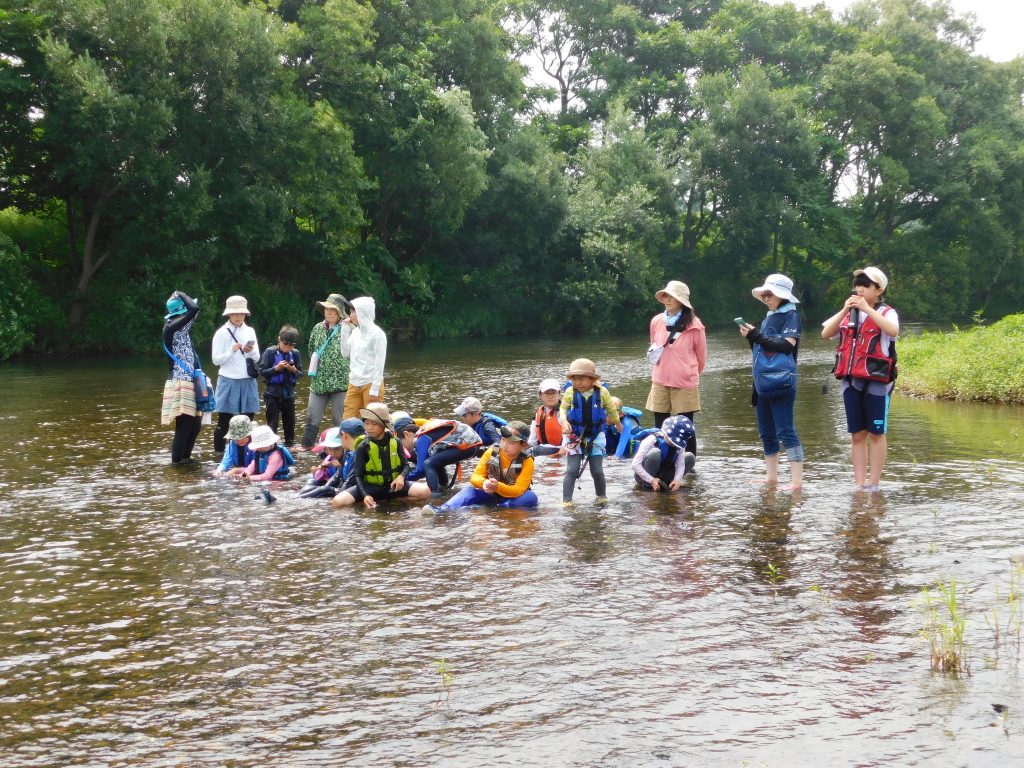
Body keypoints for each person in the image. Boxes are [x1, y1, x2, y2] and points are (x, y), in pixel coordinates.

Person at [821, 266, 900, 491]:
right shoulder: (849, 313)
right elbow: (826, 333)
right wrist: (845, 310)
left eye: (866, 285)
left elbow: (892, 331)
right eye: (858, 285)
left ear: (879, 289)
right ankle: (859, 484)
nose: (860, 290)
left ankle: (874, 484)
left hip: (877, 381)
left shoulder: (887, 312)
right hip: (851, 381)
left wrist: (867, 309)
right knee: (857, 434)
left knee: (876, 432)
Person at [739, 274, 804, 490]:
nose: (766, 297)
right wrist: (752, 337)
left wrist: (757, 336)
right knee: (766, 431)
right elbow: (764, 352)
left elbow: (787, 346)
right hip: (762, 382)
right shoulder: (769, 317)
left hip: (783, 381)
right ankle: (772, 477)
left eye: (770, 293)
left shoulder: (791, 316)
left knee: (786, 430)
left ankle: (796, 482)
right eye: (764, 294)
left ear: (782, 295)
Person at [331, 403, 432, 508]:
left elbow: (405, 466)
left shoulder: (396, 442)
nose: (369, 428)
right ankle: (371, 501)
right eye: (366, 423)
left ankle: (392, 499)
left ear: (383, 425)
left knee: (426, 491)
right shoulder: (363, 446)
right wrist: (365, 495)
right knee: (337, 502)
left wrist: (401, 477)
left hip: (392, 486)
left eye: (374, 424)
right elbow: (358, 475)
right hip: (370, 488)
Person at [646, 280, 706, 455]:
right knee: (660, 424)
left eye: (673, 296)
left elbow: (701, 358)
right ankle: (662, 459)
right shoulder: (656, 321)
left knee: (685, 426)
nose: (668, 299)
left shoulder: (695, 325)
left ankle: (689, 462)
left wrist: (688, 373)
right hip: (660, 379)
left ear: (682, 301)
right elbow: (655, 346)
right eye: (666, 295)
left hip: (685, 382)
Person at [424, 421, 538, 512]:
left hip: (513, 498)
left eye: (511, 443)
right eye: (503, 440)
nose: (505, 445)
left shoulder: (527, 461)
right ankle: (444, 509)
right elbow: (475, 477)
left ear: (523, 445)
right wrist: (484, 483)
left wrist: (497, 486)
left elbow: (517, 490)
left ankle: (497, 508)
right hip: (491, 493)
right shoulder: (491, 452)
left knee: (531, 497)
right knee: (468, 491)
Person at [558, 358, 622, 504]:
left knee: (597, 470)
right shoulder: (570, 392)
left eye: (582, 379)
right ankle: (567, 501)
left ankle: (601, 497)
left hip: (595, 435)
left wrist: (618, 424)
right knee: (572, 470)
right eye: (574, 379)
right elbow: (563, 408)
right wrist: (564, 421)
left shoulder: (602, 392)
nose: (577, 382)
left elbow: (611, 409)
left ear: (592, 379)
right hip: (574, 435)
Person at [301, 293, 352, 450]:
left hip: (341, 383)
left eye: (332, 309)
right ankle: (306, 449)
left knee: (339, 420)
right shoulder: (317, 328)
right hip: (319, 383)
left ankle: (341, 450)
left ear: (340, 311)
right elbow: (311, 350)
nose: (328, 312)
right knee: (312, 418)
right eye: (326, 309)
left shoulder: (350, 328)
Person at [211, 295, 260, 453]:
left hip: (247, 381)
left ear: (246, 314)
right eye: (235, 313)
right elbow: (215, 360)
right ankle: (219, 456)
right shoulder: (221, 333)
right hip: (228, 381)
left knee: (247, 422)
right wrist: (231, 351)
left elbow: (257, 357)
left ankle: (245, 455)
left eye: (241, 313)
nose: (238, 317)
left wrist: (250, 352)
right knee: (224, 422)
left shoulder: (250, 331)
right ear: (228, 314)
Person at [161, 290, 203, 463]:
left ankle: (185, 460)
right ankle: (177, 463)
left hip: (189, 380)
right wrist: (181, 293)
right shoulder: (174, 326)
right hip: (181, 382)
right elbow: (194, 308)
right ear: (181, 312)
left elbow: (193, 309)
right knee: (185, 425)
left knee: (195, 425)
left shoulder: (177, 325)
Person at [340, 296, 387, 418]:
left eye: (352, 312)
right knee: (348, 421)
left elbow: (379, 363)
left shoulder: (378, 334)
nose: (350, 315)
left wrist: (375, 388)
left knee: (372, 421)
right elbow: (345, 353)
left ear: (362, 312)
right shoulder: (355, 332)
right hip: (354, 383)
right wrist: (344, 330)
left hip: (371, 383)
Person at [409, 418, 483, 493]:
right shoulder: (428, 432)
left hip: (467, 445)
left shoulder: (421, 438)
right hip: (473, 444)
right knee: (435, 462)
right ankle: (444, 488)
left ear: (407, 435)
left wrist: (404, 480)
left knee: (428, 464)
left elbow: (421, 470)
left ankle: (434, 496)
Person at [259, 325, 303, 447]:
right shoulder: (270, 352)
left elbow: (301, 374)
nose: (288, 348)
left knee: (290, 423)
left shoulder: (295, 354)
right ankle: (271, 446)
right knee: (272, 422)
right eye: (285, 344)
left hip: (288, 394)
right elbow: (262, 371)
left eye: (291, 346)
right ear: (279, 340)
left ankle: (290, 447)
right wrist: (276, 368)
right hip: (272, 394)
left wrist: (293, 370)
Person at [298, 419, 365, 498]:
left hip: (350, 488)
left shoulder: (356, 454)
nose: (332, 453)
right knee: (312, 481)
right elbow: (335, 476)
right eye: (329, 449)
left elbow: (350, 480)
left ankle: (296, 499)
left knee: (324, 490)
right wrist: (321, 471)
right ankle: (297, 497)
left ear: (344, 436)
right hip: (342, 485)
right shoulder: (347, 453)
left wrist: (338, 495)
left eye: (336, 449)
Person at [631, 415, 696, 491]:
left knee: (690, 457)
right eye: (671, 440)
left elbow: (680, 464)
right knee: (655, 452)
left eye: (676, 443)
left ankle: (669, 483)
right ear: (665, 431)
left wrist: (677, 479)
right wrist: (651, 480)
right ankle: (647, 486)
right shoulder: (652, 440)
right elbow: (635, 464)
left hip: (665, 472)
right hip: (645, 474)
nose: (674, 444)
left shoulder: (679, 444)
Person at [527, 378, 565, 453]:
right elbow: (532, 440)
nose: (550, 396)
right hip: (542, 449)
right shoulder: (538, 413)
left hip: (561, 450)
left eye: (553, 393)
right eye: (547, 393)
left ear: (559, 394)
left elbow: (569, 439)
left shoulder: (564, 413)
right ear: (540, 396)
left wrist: (562, 452)